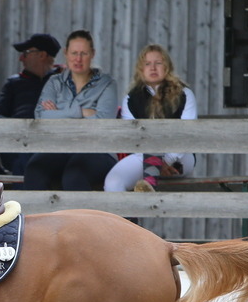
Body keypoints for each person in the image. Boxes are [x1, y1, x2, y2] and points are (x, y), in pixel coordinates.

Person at [23, 30, 117, 191]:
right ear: (66, 53)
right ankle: (38, 217)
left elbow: (103, 120)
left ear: (92, 54)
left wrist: (58, 112)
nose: (78, 59)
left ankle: (81, 218)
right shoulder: (54, 82)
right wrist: (80, 112)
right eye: (74, 53)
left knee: (75, 175)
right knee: (34, 170)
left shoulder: (107, 84)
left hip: (96, 149)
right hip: (58, 147)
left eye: (84, 53)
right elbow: (41, 116)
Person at [104, 44, 198, 192]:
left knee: (153, 167)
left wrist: (163, 161)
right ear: (141, 69)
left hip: (180, 157)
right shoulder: (132, 98)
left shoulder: (184, 94)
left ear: (167, 67)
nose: (153, 68)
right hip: (143, 155)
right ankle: (129, 216)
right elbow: (133, 138)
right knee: (113, 182)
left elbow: (186, 135)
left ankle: (148, 189)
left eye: (158, 63)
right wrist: (154, 162)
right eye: (147, 64)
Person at [0, 33, 62, 180]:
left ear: (42, 55)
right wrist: (16, 127)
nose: (21, 58)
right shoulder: (14, 84)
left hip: (53, 145)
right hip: (18, 145)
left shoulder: (63, 82)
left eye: (26, 53)